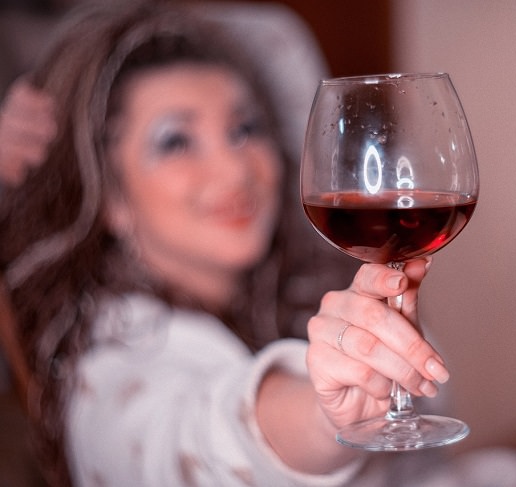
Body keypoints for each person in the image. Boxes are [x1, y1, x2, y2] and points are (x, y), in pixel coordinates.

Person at [0, 2, 450, 485]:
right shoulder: (107, 377)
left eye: (244, 129)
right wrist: (327, 414)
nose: (235, 169)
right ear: (109, 196)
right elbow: (204, 441)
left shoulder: (295, 302)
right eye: (176, 141)